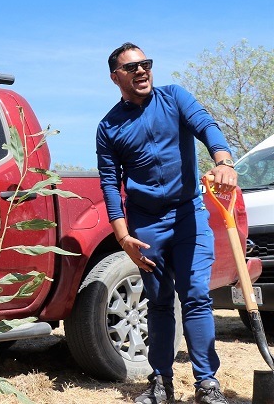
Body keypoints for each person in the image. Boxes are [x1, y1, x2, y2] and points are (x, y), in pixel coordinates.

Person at [96, 42, 237, 404]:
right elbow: (110, 183)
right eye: (132, 67)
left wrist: (224, 160)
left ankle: (207, 383)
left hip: (189, 215)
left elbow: (206, 125)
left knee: (196, 297)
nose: (141, 71)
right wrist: (123, 235)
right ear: (116, 77)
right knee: (158, 302)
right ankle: (161, 382)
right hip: (147, 224)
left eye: (146, 64)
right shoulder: (109, 126)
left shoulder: (174, 98)